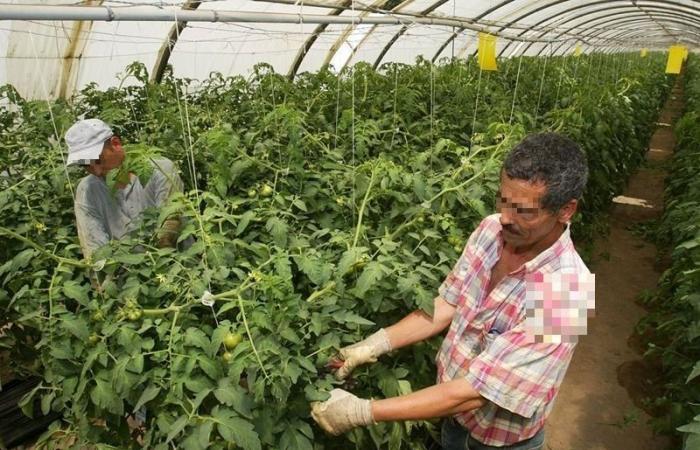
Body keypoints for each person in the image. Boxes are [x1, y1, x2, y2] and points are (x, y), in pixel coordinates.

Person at [310, 133, 595, 450]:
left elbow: (477, 392)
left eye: (524, 211)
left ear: (566, 210)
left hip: (499, 442)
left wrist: (361, 411)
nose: (505, 217)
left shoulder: (569, 291)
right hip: (453, 422)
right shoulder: (491, 230)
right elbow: (448, 304)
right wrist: (372, 344)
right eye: (502, 199)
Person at [65, 118, 184, 259]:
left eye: (98, 160)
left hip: (179, 269)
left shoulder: (160, 170)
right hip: (128, 276)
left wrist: (155, 269)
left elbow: (170, 225)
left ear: (115, 144)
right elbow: (94, 249)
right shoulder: (87, 190)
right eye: (85, 165)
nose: (96, 171)